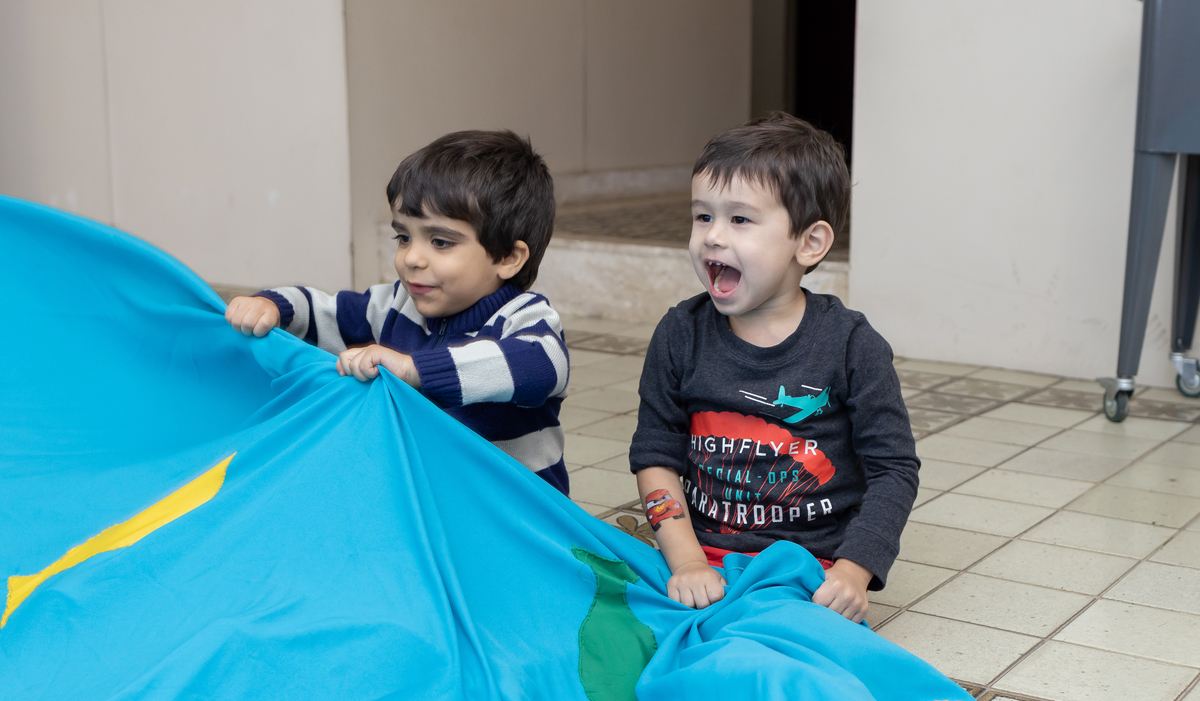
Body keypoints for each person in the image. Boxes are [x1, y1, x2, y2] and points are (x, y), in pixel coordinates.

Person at [629, 113, 919, 621]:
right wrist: (687, 561)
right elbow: (655, 455)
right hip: (700, 555)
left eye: (739, 219)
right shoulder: (679, 333)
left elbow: (893, 469)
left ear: (809, 244)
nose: (712, 237)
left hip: (810, 568)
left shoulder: (851, 345)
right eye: (703, 217)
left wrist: (853, 572)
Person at [225, 130, 570, 494]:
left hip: (518, 515)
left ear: (507, 258)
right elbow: (323, 312)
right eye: (404, 237)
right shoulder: (397, 304)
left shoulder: (527, 319)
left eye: (440, 242)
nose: (411, 258)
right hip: (430, 502)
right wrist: (272, 306)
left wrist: (414, 369)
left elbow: (539, 366)